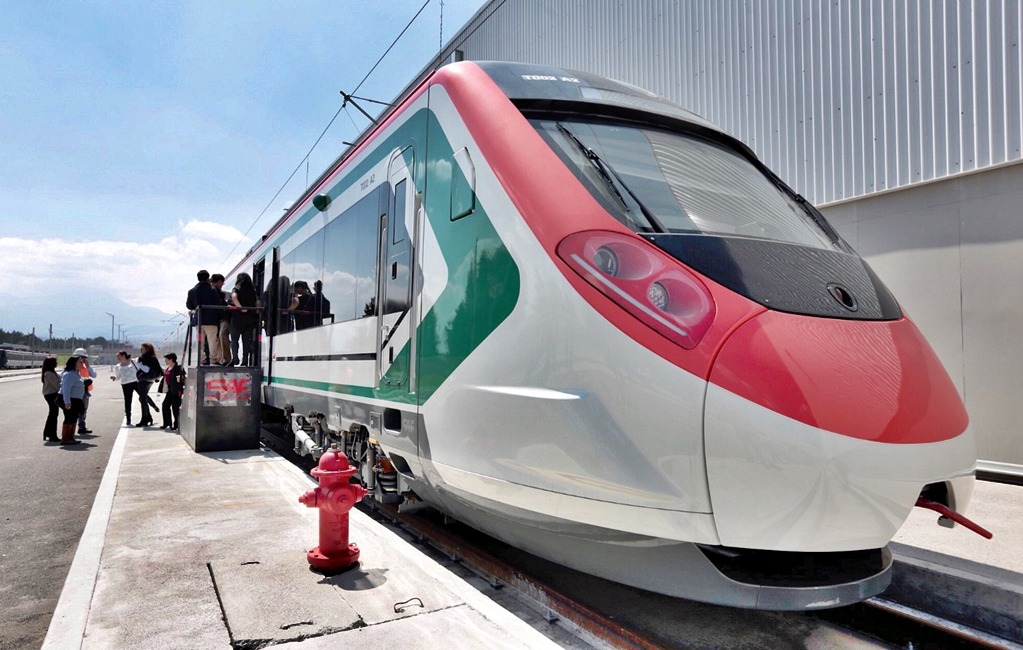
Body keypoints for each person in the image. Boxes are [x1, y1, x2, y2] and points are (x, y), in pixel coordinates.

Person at [186, 269, 225, 365]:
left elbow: (189, 306)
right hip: (211, 320)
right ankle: (212, 360)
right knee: (212, 341)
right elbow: (218, 304)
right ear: (208, 278)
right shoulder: (212, 290)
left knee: (200, 342)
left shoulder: (192, 291)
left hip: (198, 321)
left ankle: (202, 360)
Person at [230, 272, 261, 366]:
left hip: (237, 319)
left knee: (234, 340)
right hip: (249, 319)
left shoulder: (237, 288)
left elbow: (234, 297)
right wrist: (256, 312)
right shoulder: (253, 290)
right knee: (246, 341)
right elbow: (257, 302)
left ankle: (235, 359)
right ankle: (245, 361)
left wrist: (240, 308)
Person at [58, 356, 85, 445]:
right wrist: (67, 402)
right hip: (70, 400)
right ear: (74, 363)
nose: (82, 363)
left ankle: (71, 437)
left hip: (76, 400)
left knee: (73, 418)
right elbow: (66, 389)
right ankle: (65, 438)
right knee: (69, 418)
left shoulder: (76, 373)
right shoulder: (69, 374)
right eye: (80, 362)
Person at [110, 350, 141, 427]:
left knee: (144, 396)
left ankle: (153, 406)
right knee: (127, 401)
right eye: (117, 357)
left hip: (135, 382)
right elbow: (119, 376)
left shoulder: (133, 362)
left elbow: (141, 368)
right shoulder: (118, 366)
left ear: (124, 355)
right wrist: (115, 377)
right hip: (125, 384)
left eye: (119, 356)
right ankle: (128, 418)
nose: (118, 358)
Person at [134, 342, 162, 426]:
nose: (140, 350)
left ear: (147, 349)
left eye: (142, 349)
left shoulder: (144, 358)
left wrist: (137, 363)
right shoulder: (153, 357)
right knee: (142, 398)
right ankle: (148, 417)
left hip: (144, 379)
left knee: (142, 399)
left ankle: (145, 419)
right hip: (151, 380)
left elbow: (146, 370)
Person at [73, 347, 97, 435]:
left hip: (85, 391)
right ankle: (73, 427)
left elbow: (94, 375)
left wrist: (88, 366)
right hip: (76, 391)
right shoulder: (73, 368)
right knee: (76, 410)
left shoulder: (85, 367)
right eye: (83, 358)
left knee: (83, 410)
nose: (84, 360)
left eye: (84, 358)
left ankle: (82, 427)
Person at [159, 352, 186, 430]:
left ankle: (176, 424)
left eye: (166, 359)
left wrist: (180, 379)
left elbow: (182, 378)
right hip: (170, 389)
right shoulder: (168, 368)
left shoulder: (178, 368)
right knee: (165, 405)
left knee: (175, 408)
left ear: (171, 360)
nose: (165, 361)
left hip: (176, 390)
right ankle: (167, 422)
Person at [211, 273, 232, 366]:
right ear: (219, 282)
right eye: (222, 283)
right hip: (222, 318)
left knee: (219, 338)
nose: (222, 285)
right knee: (222, 337)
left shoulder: (213, 291)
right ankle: (225, 358)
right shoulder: (216, 292)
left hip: (216, 319)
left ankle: (221, 359)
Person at [41, 356, 61, 442]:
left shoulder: (50, 373)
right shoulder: (49, 373)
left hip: (50, 394)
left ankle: (48, 432)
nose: (56, 363)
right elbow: (56, 386)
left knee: (52, 414)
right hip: (51, 394)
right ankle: (52, 434)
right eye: (55, 362)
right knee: (54, 414)